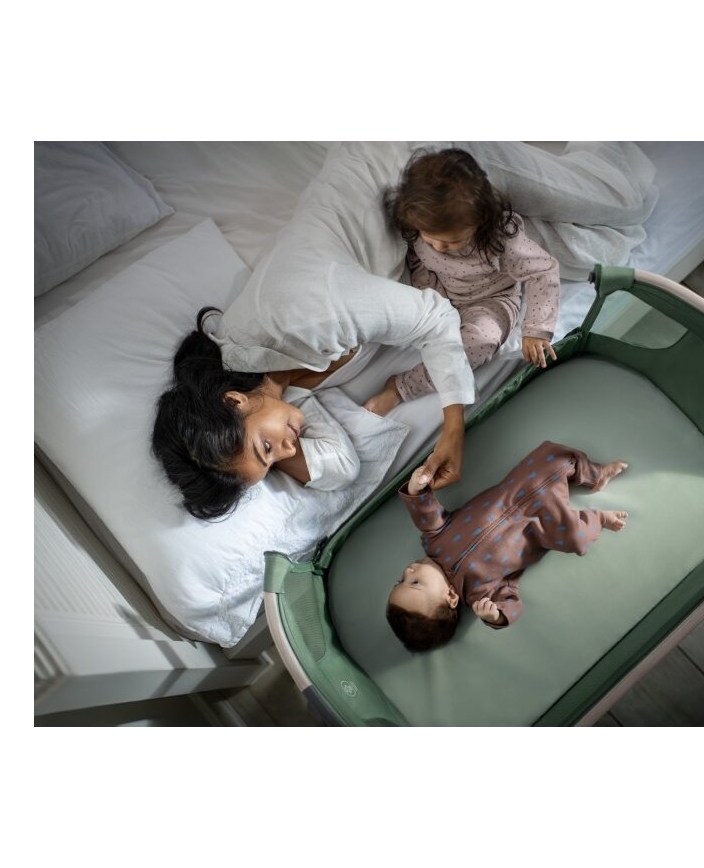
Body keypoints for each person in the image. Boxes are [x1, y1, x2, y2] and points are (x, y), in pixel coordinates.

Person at [364, 147, 561, 417]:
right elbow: (418, 256)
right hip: (437, 288)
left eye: (453, 242)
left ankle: (401, 388)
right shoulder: (418, 222)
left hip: (491, 300)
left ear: (481, 221)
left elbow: (544, 270)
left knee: (480, 342)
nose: (439, 247)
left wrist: (536, 330)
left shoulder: (501, 240)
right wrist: (423, 281)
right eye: (430, 238)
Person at [386, 440, 629, 652]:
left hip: (520, 485)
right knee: (576, 538)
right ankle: (600, 519)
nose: (408, 571)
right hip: (544, 525)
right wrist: (495, 616)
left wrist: (416, 490)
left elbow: (426, 515)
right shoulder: (480, 593)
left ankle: (596, 475)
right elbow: (512, 605)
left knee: (554, 455)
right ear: (450, 597)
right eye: (414, 583)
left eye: (400, 580)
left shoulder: (435, 541)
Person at [152, 308, 361, 520]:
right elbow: (342, 468)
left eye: (267, 448)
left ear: (234, 402)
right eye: (271, 465)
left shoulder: (274, 327)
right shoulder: (282, 399)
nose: (290, 452)